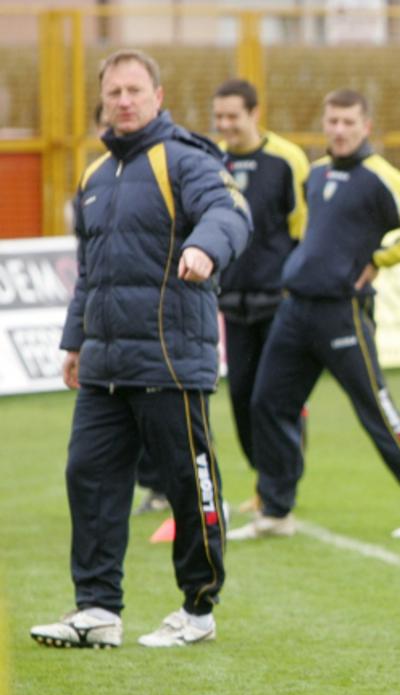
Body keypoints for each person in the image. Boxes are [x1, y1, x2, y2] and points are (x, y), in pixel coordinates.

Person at [31, 48, 251, 649]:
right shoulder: (95, 177)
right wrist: (75, 341)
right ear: (103, 101)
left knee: (188, 486)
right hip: (104, 366)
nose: (124, 101)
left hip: (170, 361)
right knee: (89, 477)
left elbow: (230, 212)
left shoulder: (185, 158)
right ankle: (97, 610)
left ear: (158, 96)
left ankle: (198, 611)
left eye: (134, 90)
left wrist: (206, 247)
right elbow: (90, 273)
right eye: (114, 93)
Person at [227, 88, 400, 541]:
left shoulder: (379, 176)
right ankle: (276, 511)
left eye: (349, 122)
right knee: (267, 403)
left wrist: (380, 259)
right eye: (333, 121)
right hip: (294, 309)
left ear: (366, 127)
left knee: (376, 411)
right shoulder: (316, 172)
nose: (339, 130)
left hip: (342, 313)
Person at [212, 79, 311, 513]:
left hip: (279, 303)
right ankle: (265, 481)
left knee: (272, 399)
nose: (225, 124)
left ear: (254, 113)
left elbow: (303, 228)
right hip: (232, 304)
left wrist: (295, 284)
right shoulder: (212, 162)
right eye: (219, 117)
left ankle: (278, 488)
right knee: (241, 399)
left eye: (233, 116)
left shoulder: (287, 159)